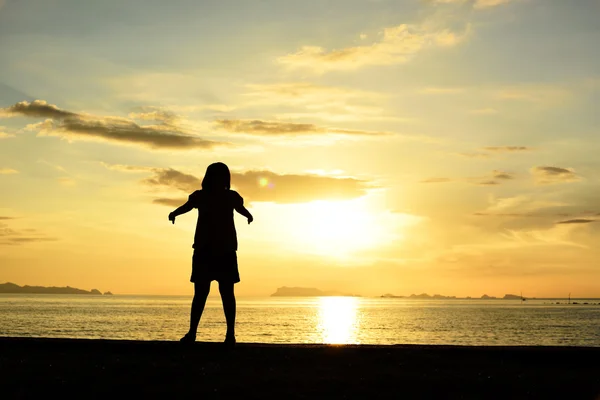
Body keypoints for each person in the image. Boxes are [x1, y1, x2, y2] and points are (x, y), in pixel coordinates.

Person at [168, 162, 253, 345]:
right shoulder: (215, 196)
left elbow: (239, 209)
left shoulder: (215, 196)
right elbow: (188, 206)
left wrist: (248, 215)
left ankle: (218, 334)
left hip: (214, 250)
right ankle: (215, 334)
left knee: (210, 293)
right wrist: (175, 212)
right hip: (214, 250)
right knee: (216, 293)